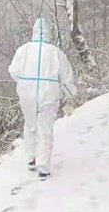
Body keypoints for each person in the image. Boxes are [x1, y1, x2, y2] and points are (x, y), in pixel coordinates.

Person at [8, 16, 77, 180]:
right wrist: (70, 95)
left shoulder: (23, 50)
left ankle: (31, 158)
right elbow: (67, 77)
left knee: (30, 125)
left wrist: (25, 82)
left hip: (27, 93)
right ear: (48, 33)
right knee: (45, 128)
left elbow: (13, 71)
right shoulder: (56, 52)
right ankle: (43, 166)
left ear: (33, 32)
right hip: (49, 93)